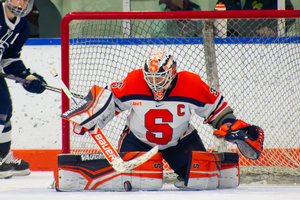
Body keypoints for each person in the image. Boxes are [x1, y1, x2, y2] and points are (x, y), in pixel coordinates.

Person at [62, 49, 264, 189]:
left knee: (201, 181)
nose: (154, 82)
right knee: (130, 181)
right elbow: (109, 102)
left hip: (181, 141)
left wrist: (228, 126)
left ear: (172, 71)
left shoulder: (191, 84)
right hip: (137, 141)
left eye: (159, 77)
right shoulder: (134, 81)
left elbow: (217, 110)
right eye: (150, 77)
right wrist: (89, 118)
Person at [0, 0, 47, 179]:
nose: (20, 3)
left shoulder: (22, 26)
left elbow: (9, 59)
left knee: (5, 106)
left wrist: (27, 77)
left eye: (24, 0)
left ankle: (2, 155)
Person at [216, 0, 295, 37]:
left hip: (263, 46)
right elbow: (216, 21)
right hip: (229, 47)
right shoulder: (226, 1)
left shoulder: (271, 1)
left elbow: (290, 15)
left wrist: (273, 30)